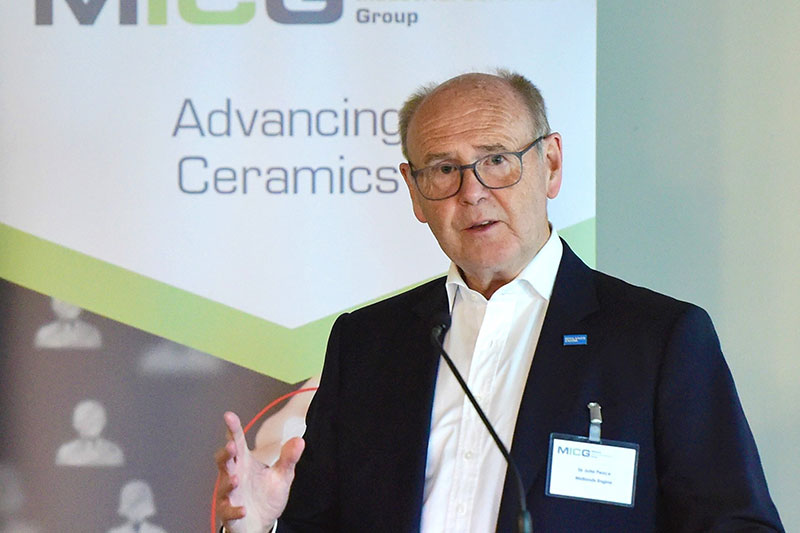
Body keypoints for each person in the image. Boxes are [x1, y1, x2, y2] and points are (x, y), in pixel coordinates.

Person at [215, 71, 783, 532]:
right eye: (443, 170)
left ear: (551, 165)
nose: (473, 192)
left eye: (496, 160)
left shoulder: (659, 339)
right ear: (415, 193)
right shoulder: (367, 342)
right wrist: (262, 525)